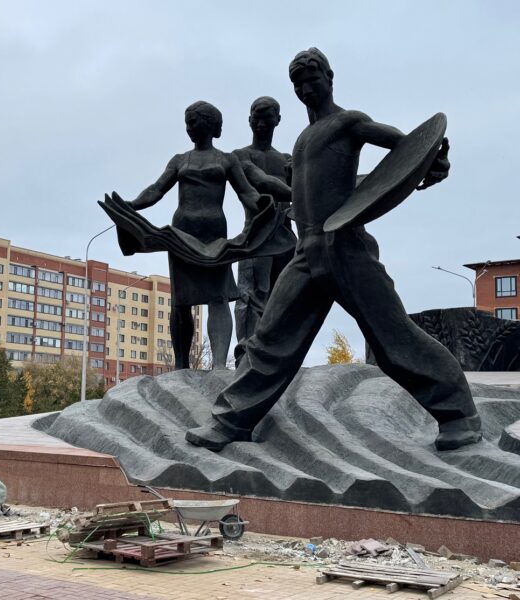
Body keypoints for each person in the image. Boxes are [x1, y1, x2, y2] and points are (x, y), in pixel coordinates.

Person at [186, 48, 482, 452]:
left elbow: (406, 146)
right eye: (298, 84)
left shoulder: (349, 122)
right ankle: (229, 422)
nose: (306, 89)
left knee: (394, 339)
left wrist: (434, 159)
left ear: (330, 77)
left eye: (313, 80)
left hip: (347, 247)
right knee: (269, 340)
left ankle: (459, 414)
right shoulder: (303, 138)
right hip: (306, 251)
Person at [126, 101, 265, 370]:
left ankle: (219, 366)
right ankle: (180, 365)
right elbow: (156, 190)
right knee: (181, 301)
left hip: (215, 237)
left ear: (210, 125)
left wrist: (264, 206)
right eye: (187, 123)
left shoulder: (226, 159)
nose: (189, 128)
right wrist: (131, 205)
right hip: (181, 235)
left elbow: (247, 193)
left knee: (218, 297)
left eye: (193, 122)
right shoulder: (179, 160)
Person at [232, 97, 296, 343]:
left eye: (267, 117)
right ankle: (246, 352)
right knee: (251, 295)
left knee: (286, 298)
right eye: (256, 118)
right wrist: (296, 189)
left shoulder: (286, 160)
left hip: (286, 237)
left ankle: (280, 352)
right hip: (256, 237)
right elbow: (259, 182)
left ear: (277, 120)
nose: (260, 123)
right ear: (249, 120)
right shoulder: (240, 156)